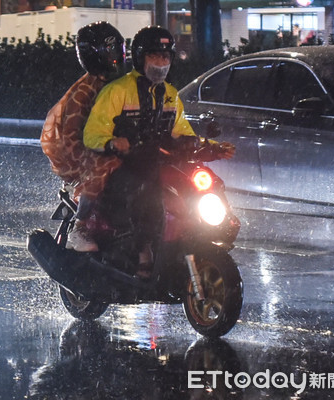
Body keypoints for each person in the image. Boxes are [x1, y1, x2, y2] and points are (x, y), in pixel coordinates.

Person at [83, 26, 235, 276]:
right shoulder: (117, 91)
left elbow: (182, 133)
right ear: (141, 58)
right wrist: (112, 143)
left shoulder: (170, 95)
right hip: (120, 164)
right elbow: (92, 132)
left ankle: (163, 249)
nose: (161, 63)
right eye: (155, 56)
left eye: (165, 57)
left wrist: (211, 148)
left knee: (179, 195)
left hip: (155, 163)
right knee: (138, 196)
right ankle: (132, 253)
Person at [40, 21, 126, 252]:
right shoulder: (84, 92)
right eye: (109, 51)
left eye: (117, 49)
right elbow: (70, 138)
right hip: (88, 152)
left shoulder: (126, 83)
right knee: (103, 167)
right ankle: (81, 225)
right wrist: (97, 151)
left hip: (123, 146)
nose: (115, 56)